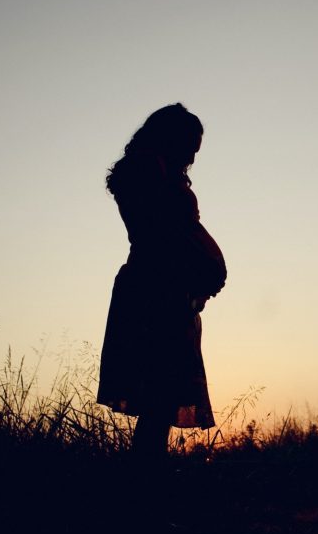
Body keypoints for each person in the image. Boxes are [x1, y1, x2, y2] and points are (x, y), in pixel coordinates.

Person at [97, 103, 226, 453]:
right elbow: (168, 232)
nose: (193, 159)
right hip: (156, 289)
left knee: (162, 393)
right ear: (170, 138)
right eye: (190, 147)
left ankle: (148, 479)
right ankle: (146, 484)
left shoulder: (155, 172)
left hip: (166, 286)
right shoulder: (147, 171)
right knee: (159, 391)